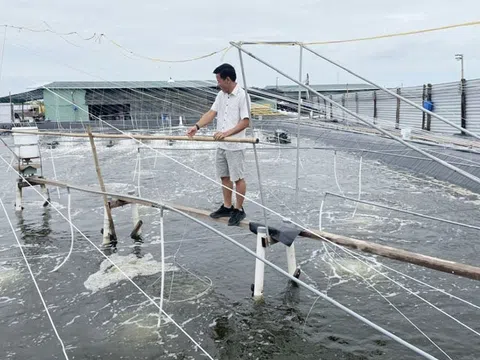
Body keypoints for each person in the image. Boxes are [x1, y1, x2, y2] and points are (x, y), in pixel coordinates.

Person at [186, 63, 250, 226]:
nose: (218, 84)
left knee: (238, 178)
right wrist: (197, 126)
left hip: (235, 145)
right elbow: (211, 113)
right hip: (222, 145)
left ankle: (238, 209)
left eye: (219, 80)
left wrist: (226, 133)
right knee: (224, 177)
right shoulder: (221, 95)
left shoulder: (243, 96)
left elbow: (245, 122)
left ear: (227, 79)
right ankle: (227, 206)